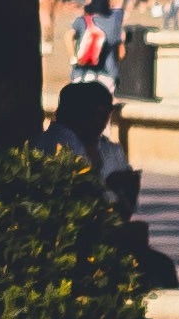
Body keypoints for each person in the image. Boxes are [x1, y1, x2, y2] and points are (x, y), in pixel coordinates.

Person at [46, 71, 142, 226]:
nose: (100, 122)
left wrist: (128, 189)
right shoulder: (54, 145)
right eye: (93, 115)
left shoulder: (111, 151)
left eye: (105, 116)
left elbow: (126, 211)